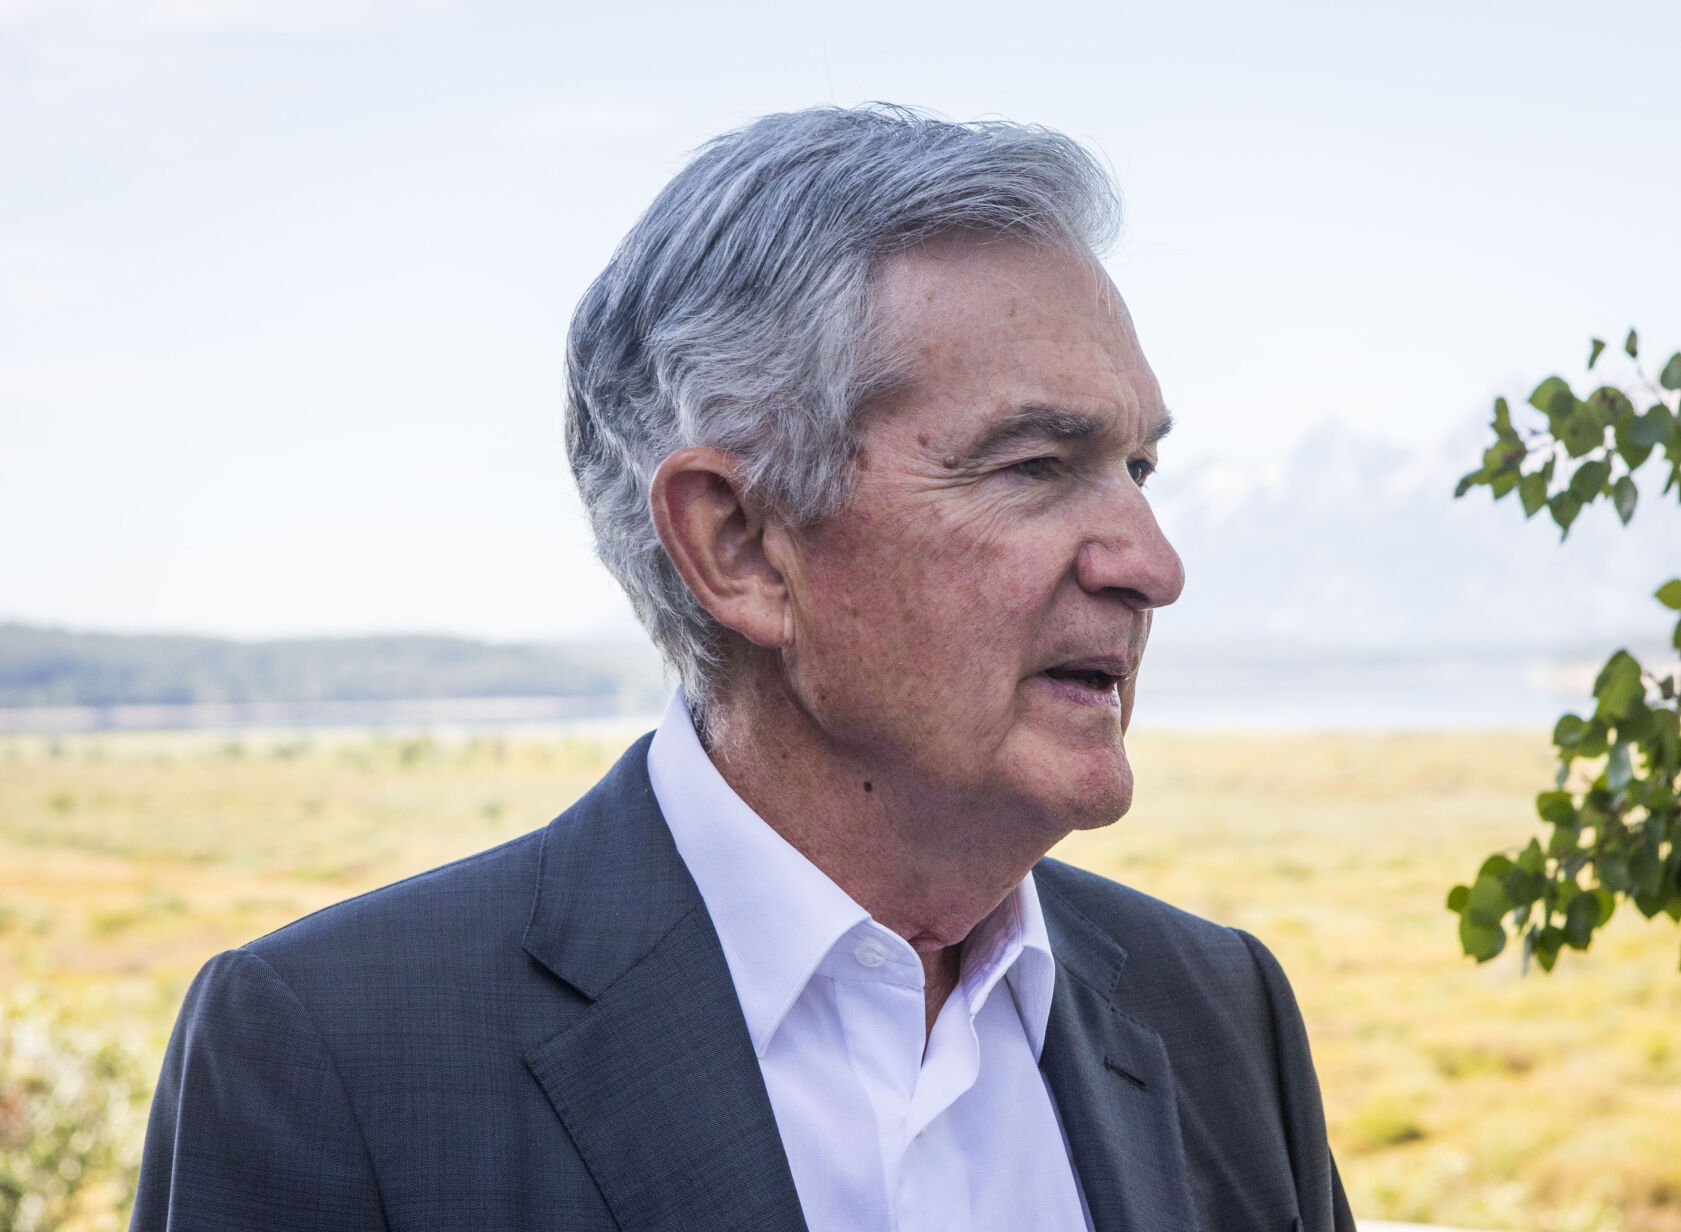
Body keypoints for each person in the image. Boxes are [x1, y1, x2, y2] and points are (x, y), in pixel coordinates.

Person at [131, 105, 1355, 1232]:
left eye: (1139, 470)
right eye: (1035, 464)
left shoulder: (1219, 1012)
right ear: (740, 544)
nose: (1152, 562)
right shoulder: (341, 1051)